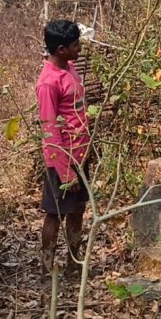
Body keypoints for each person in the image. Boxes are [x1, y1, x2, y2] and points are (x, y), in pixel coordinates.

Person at [35, 20, 91, 277]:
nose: (79, 49)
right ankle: (47, 268)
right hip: (62, 160)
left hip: (81, 155)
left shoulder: (71, 68)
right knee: (55, 214)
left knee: (78, 210)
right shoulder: (48, 83)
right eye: (75, 46)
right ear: (60, 49)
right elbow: (50, 130)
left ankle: (73, 263)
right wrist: (64, 170)